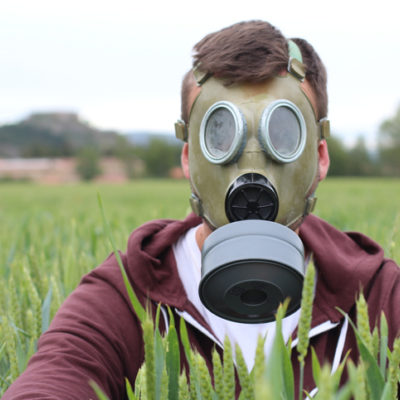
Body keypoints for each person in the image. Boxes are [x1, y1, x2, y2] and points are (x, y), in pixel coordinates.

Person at [4, 20, 400, 400]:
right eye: (221, 134)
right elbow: (56, 377)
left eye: (282, 133)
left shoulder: (379, 297)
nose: (252, 162)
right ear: (189, 157)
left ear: (320, 156)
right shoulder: (125, 298)